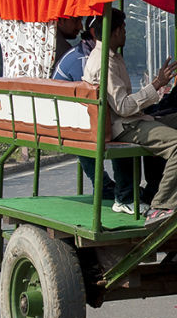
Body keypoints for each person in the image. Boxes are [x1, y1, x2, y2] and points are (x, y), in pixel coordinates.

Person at [82, 7, 177, 225]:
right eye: (123, 29)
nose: (125, 33)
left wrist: (154, 88)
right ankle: (162, 205)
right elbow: (123, 108)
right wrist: (156, 85)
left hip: (136, 118)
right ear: (114, 32)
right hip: (125, 126)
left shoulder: (112, 56)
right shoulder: (103, 62)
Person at [52, 15, 143, 214]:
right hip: (69, 115)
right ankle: (114, 189)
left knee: (120, 123)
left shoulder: (93, 53)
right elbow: (94, 96)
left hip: (78, 111)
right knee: (120, 129)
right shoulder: (88, 58)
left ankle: (118, 188)